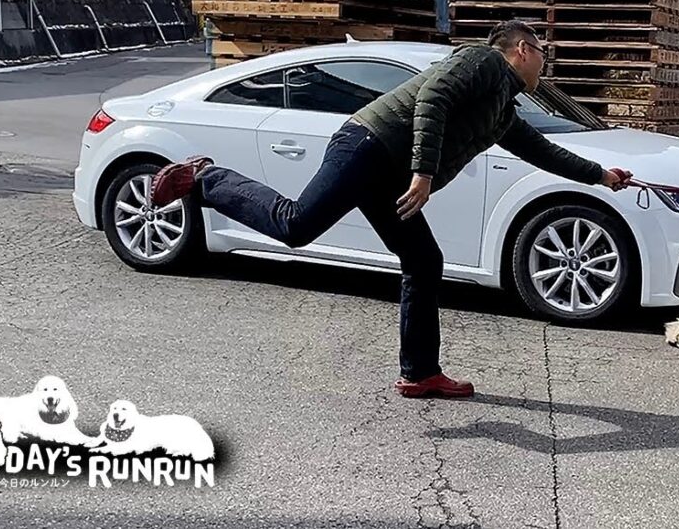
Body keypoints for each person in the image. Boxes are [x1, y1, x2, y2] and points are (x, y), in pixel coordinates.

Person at [149, 20, 632, 398]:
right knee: (296, 226)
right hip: (367, 147)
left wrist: (601, 175)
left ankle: (420, 373)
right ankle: (205, 176)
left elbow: (542, 151)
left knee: (424, 262)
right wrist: (423, 171)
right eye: (542, 53)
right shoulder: (483, 62)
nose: (545, 63)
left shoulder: (502, 107)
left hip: (389, 170)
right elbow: (432, 97)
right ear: (521, 49)